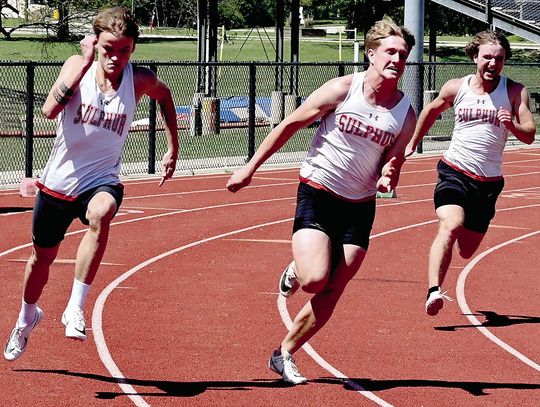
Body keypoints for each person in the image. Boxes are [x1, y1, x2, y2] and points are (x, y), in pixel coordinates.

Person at [226, 19, 417, 384]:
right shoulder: (344, 90)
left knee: (334, 287)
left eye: (403, 55)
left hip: (359, 205)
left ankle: (283, 353)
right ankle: (298, 268)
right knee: (315, 279)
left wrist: (389, 174)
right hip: (319, 191)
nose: (396, 59)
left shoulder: (404, 113)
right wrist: (250, 167)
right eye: (390, 51)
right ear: (371, 53)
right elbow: (290, 125)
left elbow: (394, 159)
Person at [4, 7, 179, 361]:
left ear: (133, 49)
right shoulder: (75, 65)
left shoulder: (139, 80)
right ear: (95, 43)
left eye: (125, 50)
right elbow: (49, 111)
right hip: (58, 184)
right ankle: (27, 317)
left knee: (102, 212)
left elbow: (165, 96)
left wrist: (173, 146)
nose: (116, 58)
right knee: (41, 260)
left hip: (101, 180)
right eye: (109, 49)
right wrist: (84, 63)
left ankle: (75, 307)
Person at [405, 30, 536, 317]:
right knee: (451, 224)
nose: (492, 63)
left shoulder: (514, 92)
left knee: (466, 249)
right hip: (454, 171)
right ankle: (433, 291)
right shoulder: (456, 87)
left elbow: (530, 134)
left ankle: (460, 233)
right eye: (487, 57)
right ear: (474, 56)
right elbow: (430, 110)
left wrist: (511, 125)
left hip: (488, 184)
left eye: (499, 58)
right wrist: (413, 142)